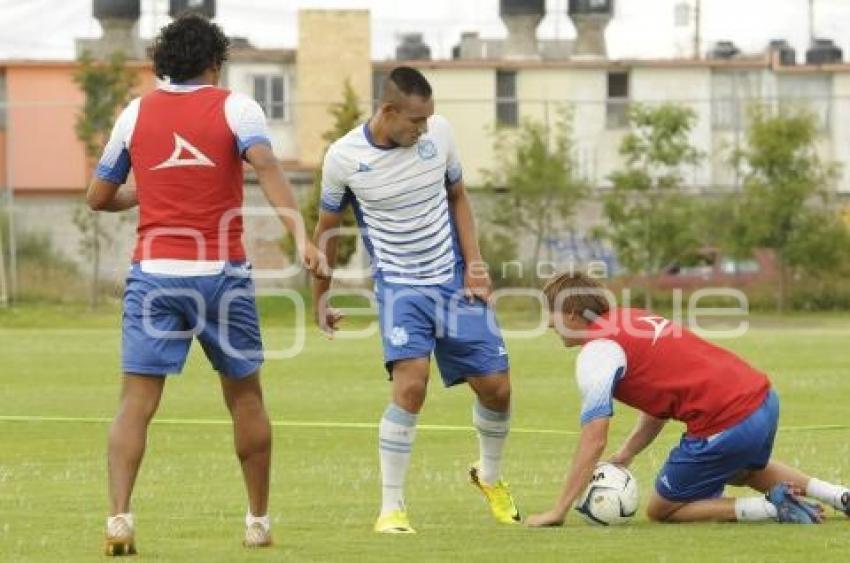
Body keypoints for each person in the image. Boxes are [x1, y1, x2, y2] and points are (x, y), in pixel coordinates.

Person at [87, 14, 325, 555]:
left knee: (135, 403)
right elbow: (266, 167)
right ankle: (257, 523)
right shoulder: (236, 107)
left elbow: (98, 197)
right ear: (215, 63)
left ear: (163, 62)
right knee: (245, 400)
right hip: (220, 275)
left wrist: (145, 192)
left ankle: (120, 517)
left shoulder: (135, 112)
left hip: (154, 276)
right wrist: (301, 237)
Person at [311, 66, 519, 534]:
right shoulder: (343, 158)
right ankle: (391, 509)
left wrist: (476, 263)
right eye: (415, 122)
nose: (423, 129)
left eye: (427, 120)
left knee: (497, 388)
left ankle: (488, 477)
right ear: (388, 111)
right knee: (411, 384)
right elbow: (326, 233)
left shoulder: (439, 133)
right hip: (400, 286)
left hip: (452, 279)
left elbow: (459, 197)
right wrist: (320, 299)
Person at [526, 272, 849, 527]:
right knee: (744, 471)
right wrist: (627, 452)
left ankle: (768, 507)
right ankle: (839, 495)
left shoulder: (597, 351)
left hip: (728, 419)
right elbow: (660, 404)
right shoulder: (630, 318)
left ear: (570, 313)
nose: (549, 323)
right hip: (763, 399)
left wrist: (558, 510)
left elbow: (594, 438)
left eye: (551, 314)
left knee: (663, 508)